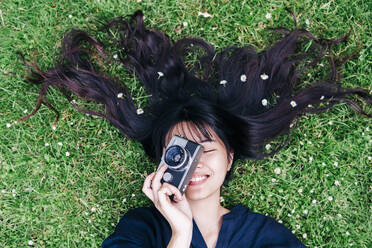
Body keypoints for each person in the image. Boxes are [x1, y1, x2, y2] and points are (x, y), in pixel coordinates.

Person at [18, 9, 370, 248]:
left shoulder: (264, 236)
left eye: (207, 148)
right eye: (180, 150)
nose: (195, 162)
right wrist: (180, 233)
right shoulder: (140, 229)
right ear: (161, 161)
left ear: (229, 158)